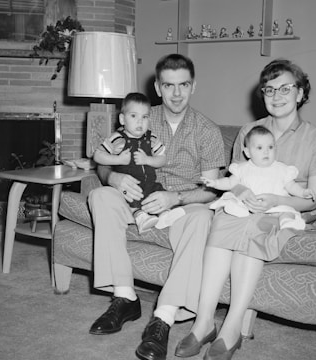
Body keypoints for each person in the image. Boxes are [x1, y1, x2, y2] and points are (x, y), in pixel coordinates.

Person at [174, 59, 316, 360]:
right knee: (221, 220)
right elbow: (236, 180)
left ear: (300, 94)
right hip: (245, 207)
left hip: (289, 212)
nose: (277, 95)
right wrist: (242, 192)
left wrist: (274, 201)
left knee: (253, 226)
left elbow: (312, 199)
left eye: (286, 88)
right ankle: (204, 322)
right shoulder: (250, 131)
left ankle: (231, 327)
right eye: (269, 89)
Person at [88, 53, 226, 360]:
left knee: (203, 217)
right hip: (135, 197)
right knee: (99, 196)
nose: (176, 93)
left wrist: (174, 198)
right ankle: (124, 297)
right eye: (168, 85)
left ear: (194, 87)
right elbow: (102, 164)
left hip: (181, 203)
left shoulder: (207, 130)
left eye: (183, 85)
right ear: (157, 87)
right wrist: (113, 179)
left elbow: (211, 190)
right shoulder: (140, 116)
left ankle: (162, 317)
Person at [203, 125, 315, 233]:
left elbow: (292, 186)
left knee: (287, 212)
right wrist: (214, 183)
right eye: (260, 148)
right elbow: (229, 183)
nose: (266, 151)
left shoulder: (282, 169)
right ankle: (237, 211)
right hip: (249, 205)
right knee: (232, 199)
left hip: (275, 207)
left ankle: (288, 223)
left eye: (270, 147)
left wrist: (303, 192)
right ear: (248, 152)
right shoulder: (242, 168)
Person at [93, 92, 166, 234]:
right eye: (133, 116)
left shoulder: (152, 138)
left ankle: (165, 215)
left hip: (149, 183)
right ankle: (139, 217)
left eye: (144, 117)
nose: (140, 122)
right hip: (128, 186)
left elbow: (162, 158)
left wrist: (148, 160)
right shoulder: (117, 139)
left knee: (158, 193)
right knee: (130, 200)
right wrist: (118, 159)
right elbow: (98, 155)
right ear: (122, 119)